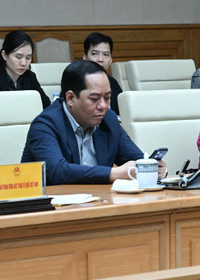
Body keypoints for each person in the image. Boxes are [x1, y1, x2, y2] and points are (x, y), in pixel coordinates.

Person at [21, 60, 166, 184]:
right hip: (50, 210)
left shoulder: (108, 118)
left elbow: (134, 159)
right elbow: (57, 171)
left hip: (99, 202)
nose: (103, 106)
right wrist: (114, 173)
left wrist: (151, 168)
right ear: (71, 98)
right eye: (94, 99)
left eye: (107, 97)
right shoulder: (45, 125)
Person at [0, 30, 51, 109]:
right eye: (18, 57)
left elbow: (46, 105)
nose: (24, 63)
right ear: (5, 55)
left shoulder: (30, 77)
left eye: (28, 58)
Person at [83, 32, 123, 114]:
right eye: (94, 54)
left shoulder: (113, 84)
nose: (100, 59)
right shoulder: (74, 82)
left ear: (110, 60)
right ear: (85, 58)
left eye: (105, 54)